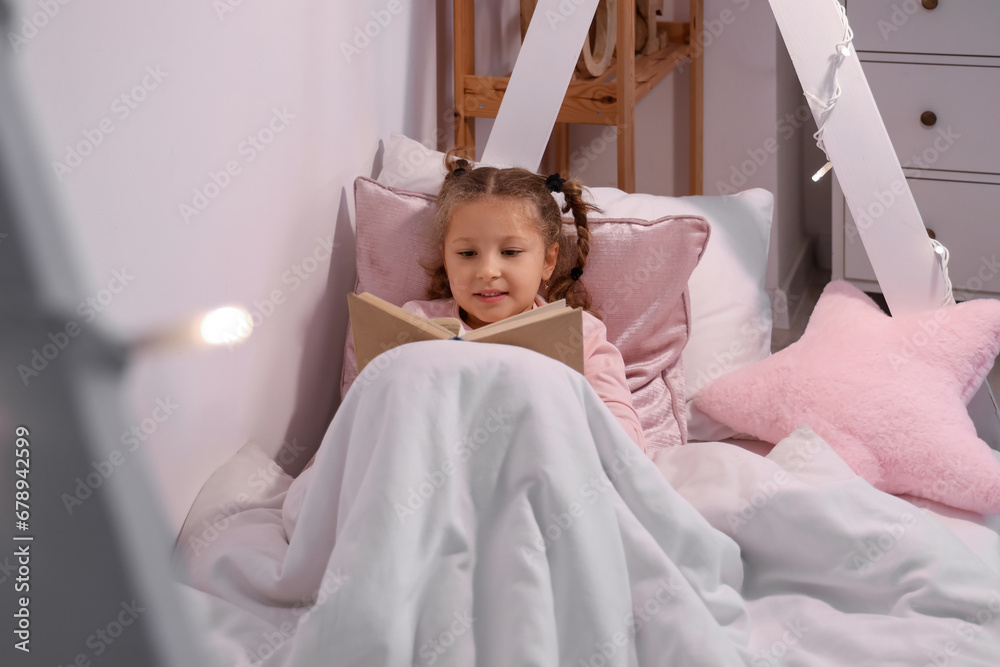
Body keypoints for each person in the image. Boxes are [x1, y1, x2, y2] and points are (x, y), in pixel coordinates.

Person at [400, 147, 646, 453]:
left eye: (511, 252)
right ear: (446, 259)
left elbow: (626, 444)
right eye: (466, 254)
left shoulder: (580, 335)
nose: (488, 271)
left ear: (548, 260)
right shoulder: (417, 323)